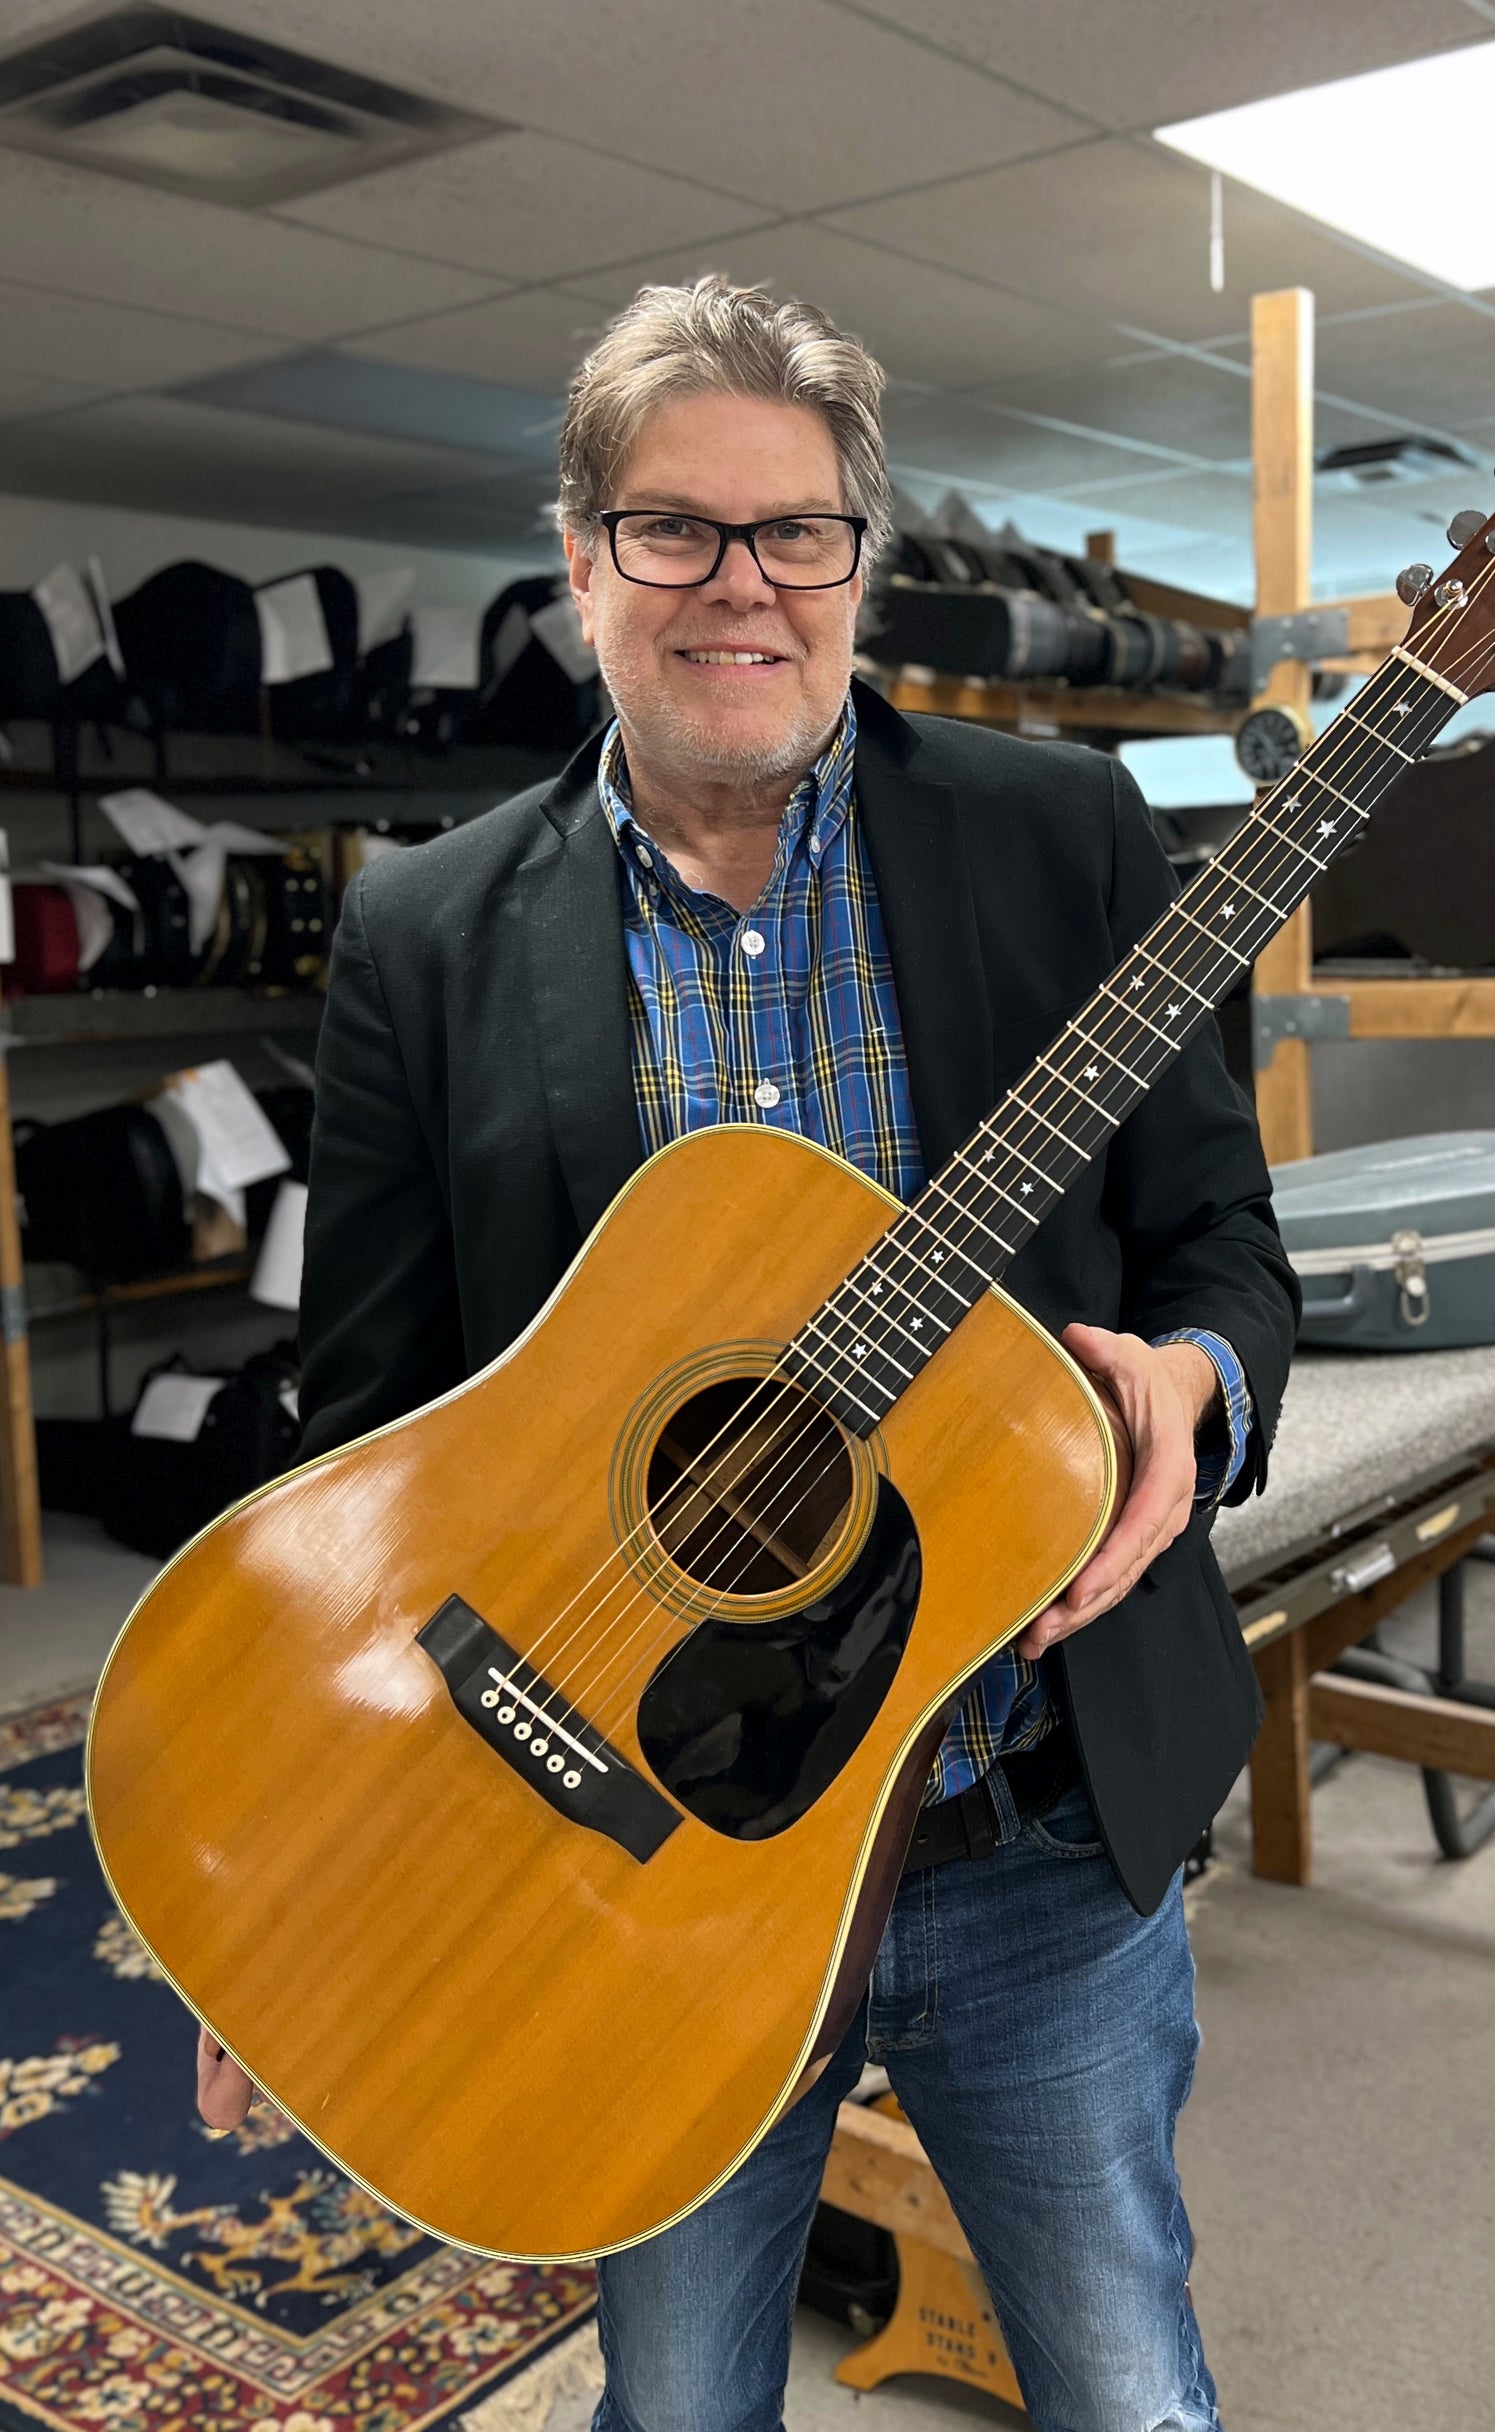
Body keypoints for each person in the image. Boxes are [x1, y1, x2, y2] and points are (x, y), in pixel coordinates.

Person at [200, 275, 1299, 2432]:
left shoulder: (1062, 837)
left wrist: (1189, 1380)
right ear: (579, 554)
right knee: (680, 2404)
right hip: (633, 1875)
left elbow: (1221, 1247)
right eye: (676, 529)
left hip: (1031, 1821)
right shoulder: (425, 926)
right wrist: (300, 1868)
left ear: (861, 562)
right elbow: (366, 1426)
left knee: (1123, 2383)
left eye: (796, 531)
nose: (743, 587)